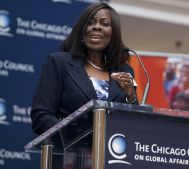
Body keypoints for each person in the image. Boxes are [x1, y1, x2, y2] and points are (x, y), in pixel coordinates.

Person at [31, 3, 138, 135]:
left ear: (113, 35)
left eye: (104, 24)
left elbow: (134, 123)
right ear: (81, 31)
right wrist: (73, 136)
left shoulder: (124, 70)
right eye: (90, 23)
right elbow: (41, 116)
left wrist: (131, 96)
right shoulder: (59, 63)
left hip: (112, 153)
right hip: (70, 152)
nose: (97, 27)